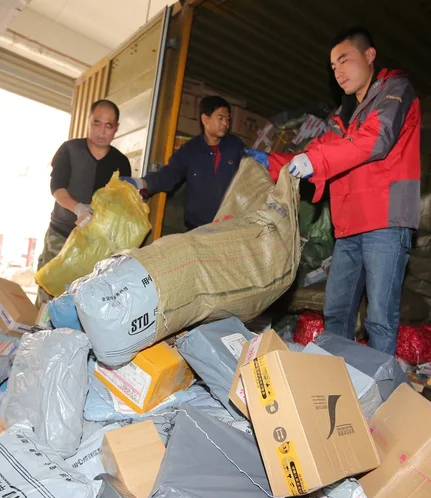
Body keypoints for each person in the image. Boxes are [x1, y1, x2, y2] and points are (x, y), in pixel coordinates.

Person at [247, 27, 420, 355]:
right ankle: (334, 383)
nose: (338, 72)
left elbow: (376, 139)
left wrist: (314, 160)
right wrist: (268, 162)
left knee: (380, 319)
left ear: (369, 56)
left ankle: (376, 397)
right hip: (349, 226)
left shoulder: (395, 90)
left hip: (385, 221)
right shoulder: (346, 115)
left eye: (344, 60)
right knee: (336, 313)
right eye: (333, 66)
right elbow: (317, 148)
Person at [36, 99, 131, 307]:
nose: (101, 130)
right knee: (48, 296)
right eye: (97, 123)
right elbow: (57, 188)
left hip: (95, 246)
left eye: (108, 125)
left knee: (80, 301)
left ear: (116, 129)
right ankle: (34, 336)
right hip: (61, 237)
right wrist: (78, 208)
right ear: (89, 121)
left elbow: (120, 203)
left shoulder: (121, 162)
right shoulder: (69, 150)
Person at [122, 95, 245, 230]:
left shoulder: (235, 146)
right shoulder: (190, 150)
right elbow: (169, 174)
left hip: (228, 226)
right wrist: (141, 183)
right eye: (220, 118)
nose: (225, 124)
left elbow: (250, 176)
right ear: (205, 119)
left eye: (228, 119)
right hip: (197, 228)